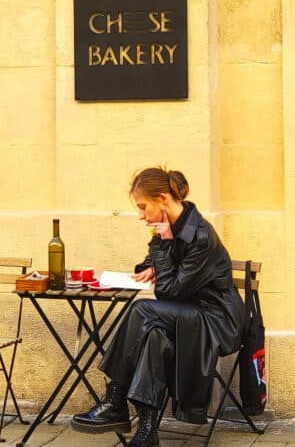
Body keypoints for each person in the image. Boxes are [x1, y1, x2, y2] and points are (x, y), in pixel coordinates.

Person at [70, 166, 246, 447]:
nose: (141, 215)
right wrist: (153, 264)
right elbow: (155, 270)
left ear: (162, 199)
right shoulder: (171, 227)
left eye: (142, 207)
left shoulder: (200, 236)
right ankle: (147, 431)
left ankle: (115, 400)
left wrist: (162, 250)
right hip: (186, 314)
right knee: (154, 336)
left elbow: (169, 292)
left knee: (143, 310)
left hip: (215, 320)